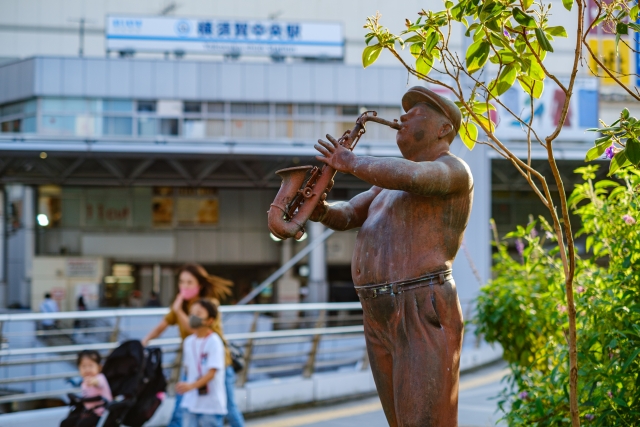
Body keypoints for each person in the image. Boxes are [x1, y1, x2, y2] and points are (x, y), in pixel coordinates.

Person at [311, 86, 472, 427]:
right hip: (379, 311)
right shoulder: (384, 184)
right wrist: (319, 209)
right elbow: (348, 214)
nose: (402, 118)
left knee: (422, 421)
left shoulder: (453, 169)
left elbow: (415, 177)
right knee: (399, 421)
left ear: (443, 129)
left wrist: (351, 162)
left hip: (420, 305)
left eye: (416, 113)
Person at [142, 264, 244, 427]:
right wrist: (144, 341)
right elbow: (162, 325)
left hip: (217, 366)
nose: (185, 286)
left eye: (190, 282)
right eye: (182, 282)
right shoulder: (181, 305)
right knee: (180, 409)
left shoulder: (208, 305)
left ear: (200, 285)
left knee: (230, 409)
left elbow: (194, 328)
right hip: (193, 367)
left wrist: (178, 311)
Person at [176, 299, 227, 427]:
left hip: (211, 405)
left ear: (210, 320)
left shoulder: (214, 341)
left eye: (198, 313)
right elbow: (188, 370)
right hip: (190, 402)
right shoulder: (188, 342)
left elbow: (212, 373)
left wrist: (191, 386)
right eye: (191, 312)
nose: (193, 316)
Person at [60, 350, 113, 427]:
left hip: (101, 413)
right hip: (88, 412)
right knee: (65, 423)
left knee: (81, 425)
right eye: (83, 366)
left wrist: (94, 382)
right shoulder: (84, 381)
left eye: (90, 366)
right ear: (79, 368)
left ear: (99, 367)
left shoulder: (100, 378)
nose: (87, 369)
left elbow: (98, 383)